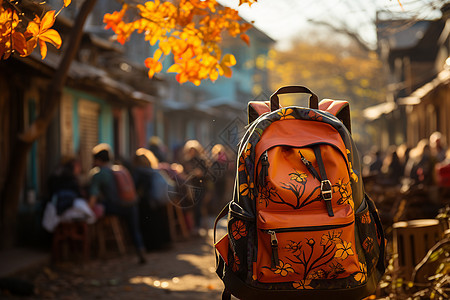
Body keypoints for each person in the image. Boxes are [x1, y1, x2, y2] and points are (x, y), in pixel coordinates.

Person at [88, 143, 146, 264]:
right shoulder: (120, 169)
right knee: (135, 230)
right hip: (131, 205)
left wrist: (87, 211)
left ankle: (98, 249)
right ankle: (140, 249)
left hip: (115, 207)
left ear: (97, 160)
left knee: (99, 209)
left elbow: (93, 197)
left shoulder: (99, 174)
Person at [133, 148, 172, 251]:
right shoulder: (155, 171)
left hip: (147, 203)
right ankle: (164, 244)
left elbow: (136, 189)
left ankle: (150, 246)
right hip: (159, 202)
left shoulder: (139, 172)